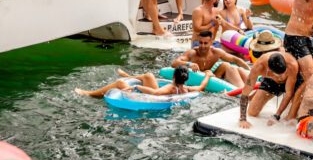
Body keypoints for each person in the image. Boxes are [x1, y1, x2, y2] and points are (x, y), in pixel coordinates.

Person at [239, 49, 299, 128]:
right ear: (269, 69)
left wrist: (277, 115)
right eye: (278, 75)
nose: (281, 77)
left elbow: (289, 93)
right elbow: (245, 92)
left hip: (290, 82)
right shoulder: (258, 67)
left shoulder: (292, 65)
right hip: (271, 81)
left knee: (292, 118)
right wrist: (242, 119)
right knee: (252, 112)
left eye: (284, 73)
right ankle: (258, 95)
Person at [172, 31, 250, 88]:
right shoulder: (192, 53)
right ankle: (242, 89)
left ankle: (249, 86)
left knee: (231, 66)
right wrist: (189, 64)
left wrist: (250, 69)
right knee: (229, 66)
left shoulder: (216, 52)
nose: (202, 46)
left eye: (205, 43)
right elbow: (174, 63)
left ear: (211, 43)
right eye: (200, 42)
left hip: (212, 76)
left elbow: (235, 60)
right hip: (200, 79)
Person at [75, 65, 212, 97]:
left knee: (119, 84)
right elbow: (201, 87)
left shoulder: (170, 88)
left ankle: (90, 93)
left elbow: (156, 92)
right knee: (149, 76)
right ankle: (128, 76)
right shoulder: (186, 89)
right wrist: (207, 75)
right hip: (159, 94)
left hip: (149, 98)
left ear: (174, 77)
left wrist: (136, 88)